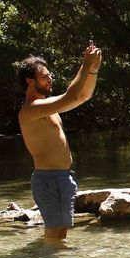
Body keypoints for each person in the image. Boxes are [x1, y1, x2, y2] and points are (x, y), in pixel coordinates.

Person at [18, 42, 103, 244]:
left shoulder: (49, 107)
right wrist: (85, 64)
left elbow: (83, 96)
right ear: (30, 81)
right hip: (48, 180)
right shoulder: (31, 110)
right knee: (56, 234)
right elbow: (71, 95)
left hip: (63, 177)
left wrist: (92, 71)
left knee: (59, 233)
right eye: (45, 75)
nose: (50, 78)